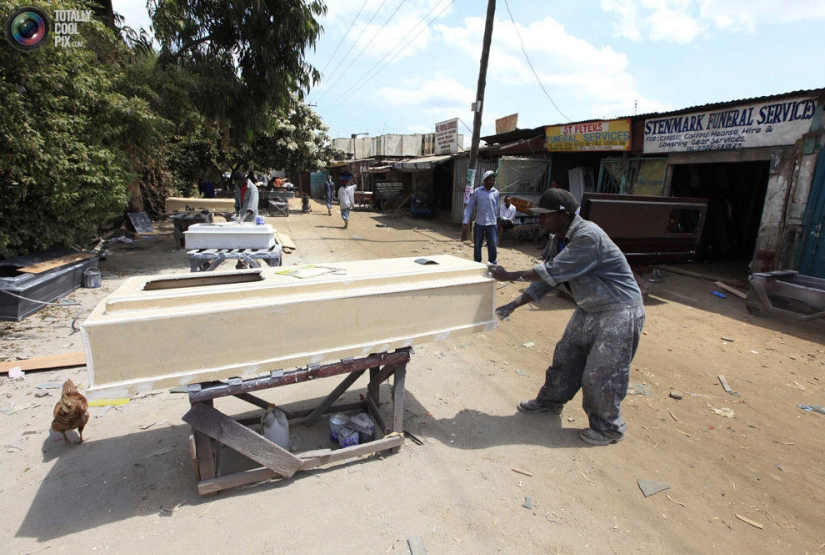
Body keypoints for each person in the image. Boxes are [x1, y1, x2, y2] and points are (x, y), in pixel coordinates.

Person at [488, 188, 645, 446]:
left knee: (602, 374)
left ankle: (608, 428)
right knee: (566, 357)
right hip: (589, 308)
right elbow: (549, 279)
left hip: (618, 311)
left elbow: (552, 270)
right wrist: (514, 304)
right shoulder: (558, 238)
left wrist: (508, 275)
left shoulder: (587, 237)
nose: (539, 220)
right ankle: (550, 402)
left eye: (544, 216)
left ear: (563, 215)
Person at [462, 170, 500, 265]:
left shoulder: (496, 193)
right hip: (479, 223)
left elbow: (496, 207)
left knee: (492, 245)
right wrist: (465, 220)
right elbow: (470, 206)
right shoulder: (477, 192)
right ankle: (477, 264)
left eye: (493, 180)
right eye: (490, 180)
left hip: (491, 223)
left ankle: (492, 264)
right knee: (477, 244)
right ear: (485, 180)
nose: (492, 182)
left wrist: (496, 220)